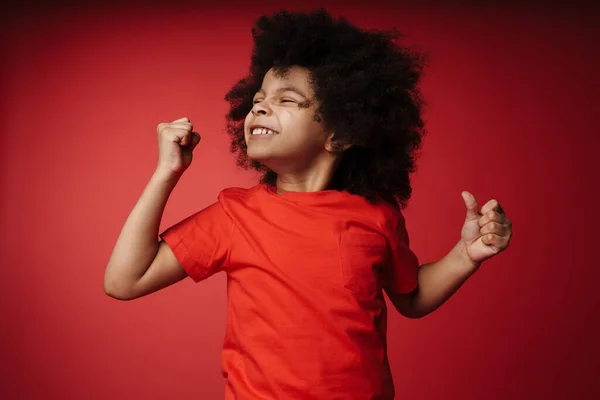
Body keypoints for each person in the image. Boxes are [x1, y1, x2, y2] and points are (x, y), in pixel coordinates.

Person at [104, 8, 513, 400]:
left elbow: (412, 296)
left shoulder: (377, 215)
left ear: (340, 133)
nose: (259, 107)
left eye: (287, 100)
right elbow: (125, 281)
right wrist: (166, 174)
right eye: (259, 98)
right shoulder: (234, 216)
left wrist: (465, 254)